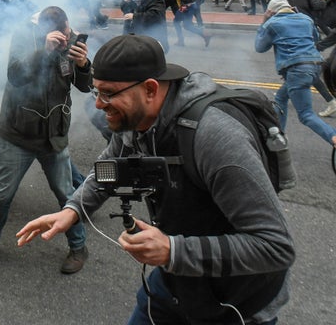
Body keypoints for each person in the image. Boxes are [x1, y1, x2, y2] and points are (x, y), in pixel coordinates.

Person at [16, 34, 295, 324]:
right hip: (175, 284)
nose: (99, 105)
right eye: (97, 92)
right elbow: (107, 169)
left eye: (109, 93)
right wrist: (71, 211)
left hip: (235, 302)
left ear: (150, 89)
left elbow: (275, 246)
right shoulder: (136, 118)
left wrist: (173, 250)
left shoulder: (215, 136)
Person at [0, 6, 90, 274]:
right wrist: (43, 52)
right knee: (1, 195)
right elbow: (15, 74)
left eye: (67, 31)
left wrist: (83, 65)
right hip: (18, 133)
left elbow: (85, 85)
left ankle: (79, 247)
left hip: (53, 136)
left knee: (66, 195)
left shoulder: (71, 40)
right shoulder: (24, 37)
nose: (65, 36)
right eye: (61, 33)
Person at [255, 0, 336, 147]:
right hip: (314, 65)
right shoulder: (306, 19)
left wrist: (264, 21)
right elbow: (314, 38)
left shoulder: (273, 23)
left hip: (297, 70)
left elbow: (259, 47)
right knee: (280, 98)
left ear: (271, 12)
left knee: (306, 115)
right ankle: (280, 137)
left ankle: (333, 136)